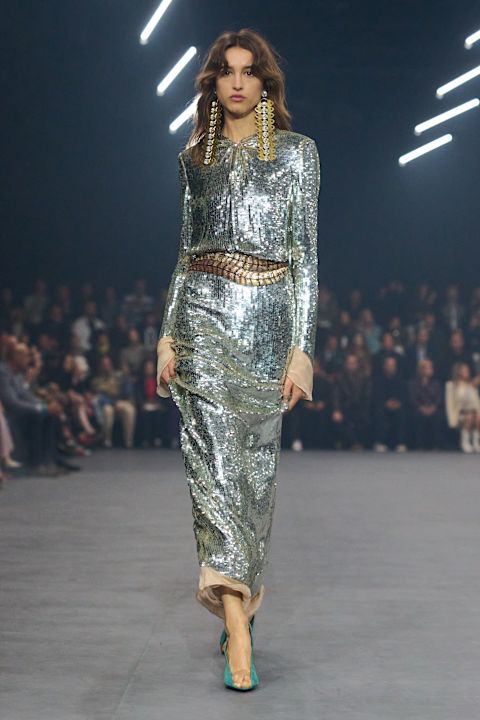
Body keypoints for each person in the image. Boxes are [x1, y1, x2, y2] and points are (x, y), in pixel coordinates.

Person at [156, 29, 320, 690]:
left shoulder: (298, 155)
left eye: (249, 71)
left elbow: (305, 257)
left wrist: (303, 350)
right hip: (201, 318)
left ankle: (238, 606)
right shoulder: (193, 157)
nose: (238, 81)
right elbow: (183, 251)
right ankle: (239, 625)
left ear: (265, 84)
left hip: (268, 323)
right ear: (213, 83)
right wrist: (167, 334)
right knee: (213, 467)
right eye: (226, 71)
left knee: (253, 478)